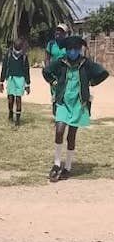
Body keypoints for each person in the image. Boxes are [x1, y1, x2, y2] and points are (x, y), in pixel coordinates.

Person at [43, 36, 109, 182]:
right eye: (70, 49)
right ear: (66, 50)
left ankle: (67, 167)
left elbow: (104, 73)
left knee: (71, 136)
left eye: (76, 49)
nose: (73, 51)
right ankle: (56, 164)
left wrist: (92, 82)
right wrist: (53, 82)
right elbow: (46, 71)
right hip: (63, 102)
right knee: (59, 130)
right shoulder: (60, 63)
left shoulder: (86, 64)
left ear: (80, 50)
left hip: (78, 104)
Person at [0, 38, 31, 126]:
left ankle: (17, 120)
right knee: (10, 99)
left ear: (21, 47)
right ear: (13, 46)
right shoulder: (9, 54)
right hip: (11, 78)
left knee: (18, 99)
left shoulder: (24, 56)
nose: (17, 50)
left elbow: (27, 71)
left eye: (19, 47)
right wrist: (1, 82)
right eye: (16, 47)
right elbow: (4, 68)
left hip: (20, 79)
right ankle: (10, 112)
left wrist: (27, 84)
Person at [45, 24, 69, 115]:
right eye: (57, 30)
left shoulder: (68, 44)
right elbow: (47, 57)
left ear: (65, 34)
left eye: (61, 31)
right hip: (53, 73)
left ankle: (65, 114)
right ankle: (56, 116)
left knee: (65, 93)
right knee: (54, 94)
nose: (58, 32)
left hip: (65, 72)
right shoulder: (51, 44)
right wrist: (48, 69)